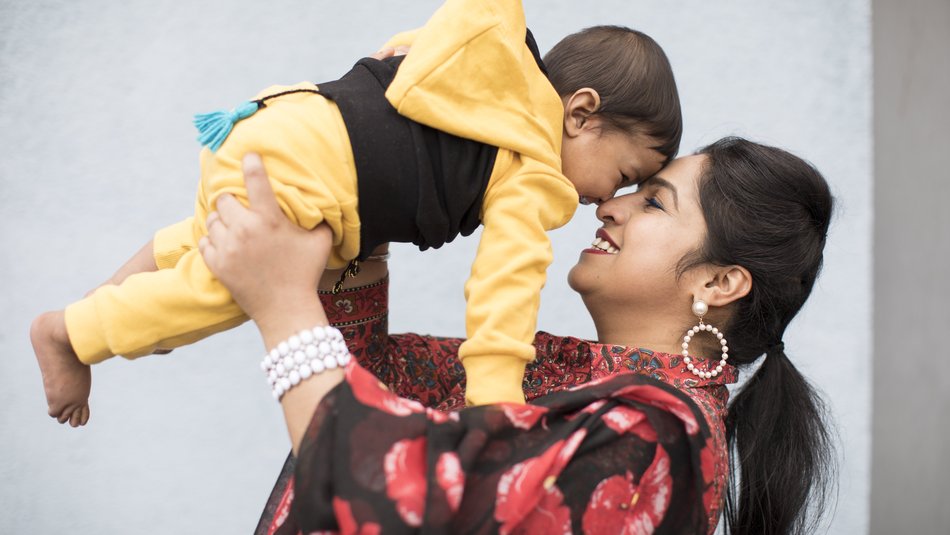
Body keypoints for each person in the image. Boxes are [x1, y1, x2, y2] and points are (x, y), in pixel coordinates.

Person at [30, 0, 681, 426]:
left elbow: (401, 53)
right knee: (224, 290)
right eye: (624, 176)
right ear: (581, 113)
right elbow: (503, 291)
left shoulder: (486, 59)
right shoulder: (532, 166)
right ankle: (73, 330)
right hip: (308, 174)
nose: (606, 200)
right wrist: (495, 403)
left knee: (206, 243)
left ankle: (109, 295)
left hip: (281, 119)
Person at [202, 137, 837, 534]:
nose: (608, 206)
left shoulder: (654, 437)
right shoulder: (562, 372)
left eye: (654, 204)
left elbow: (394, 499)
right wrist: (378, 167)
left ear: (720, 282)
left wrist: (283, 304)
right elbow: (362, 375)